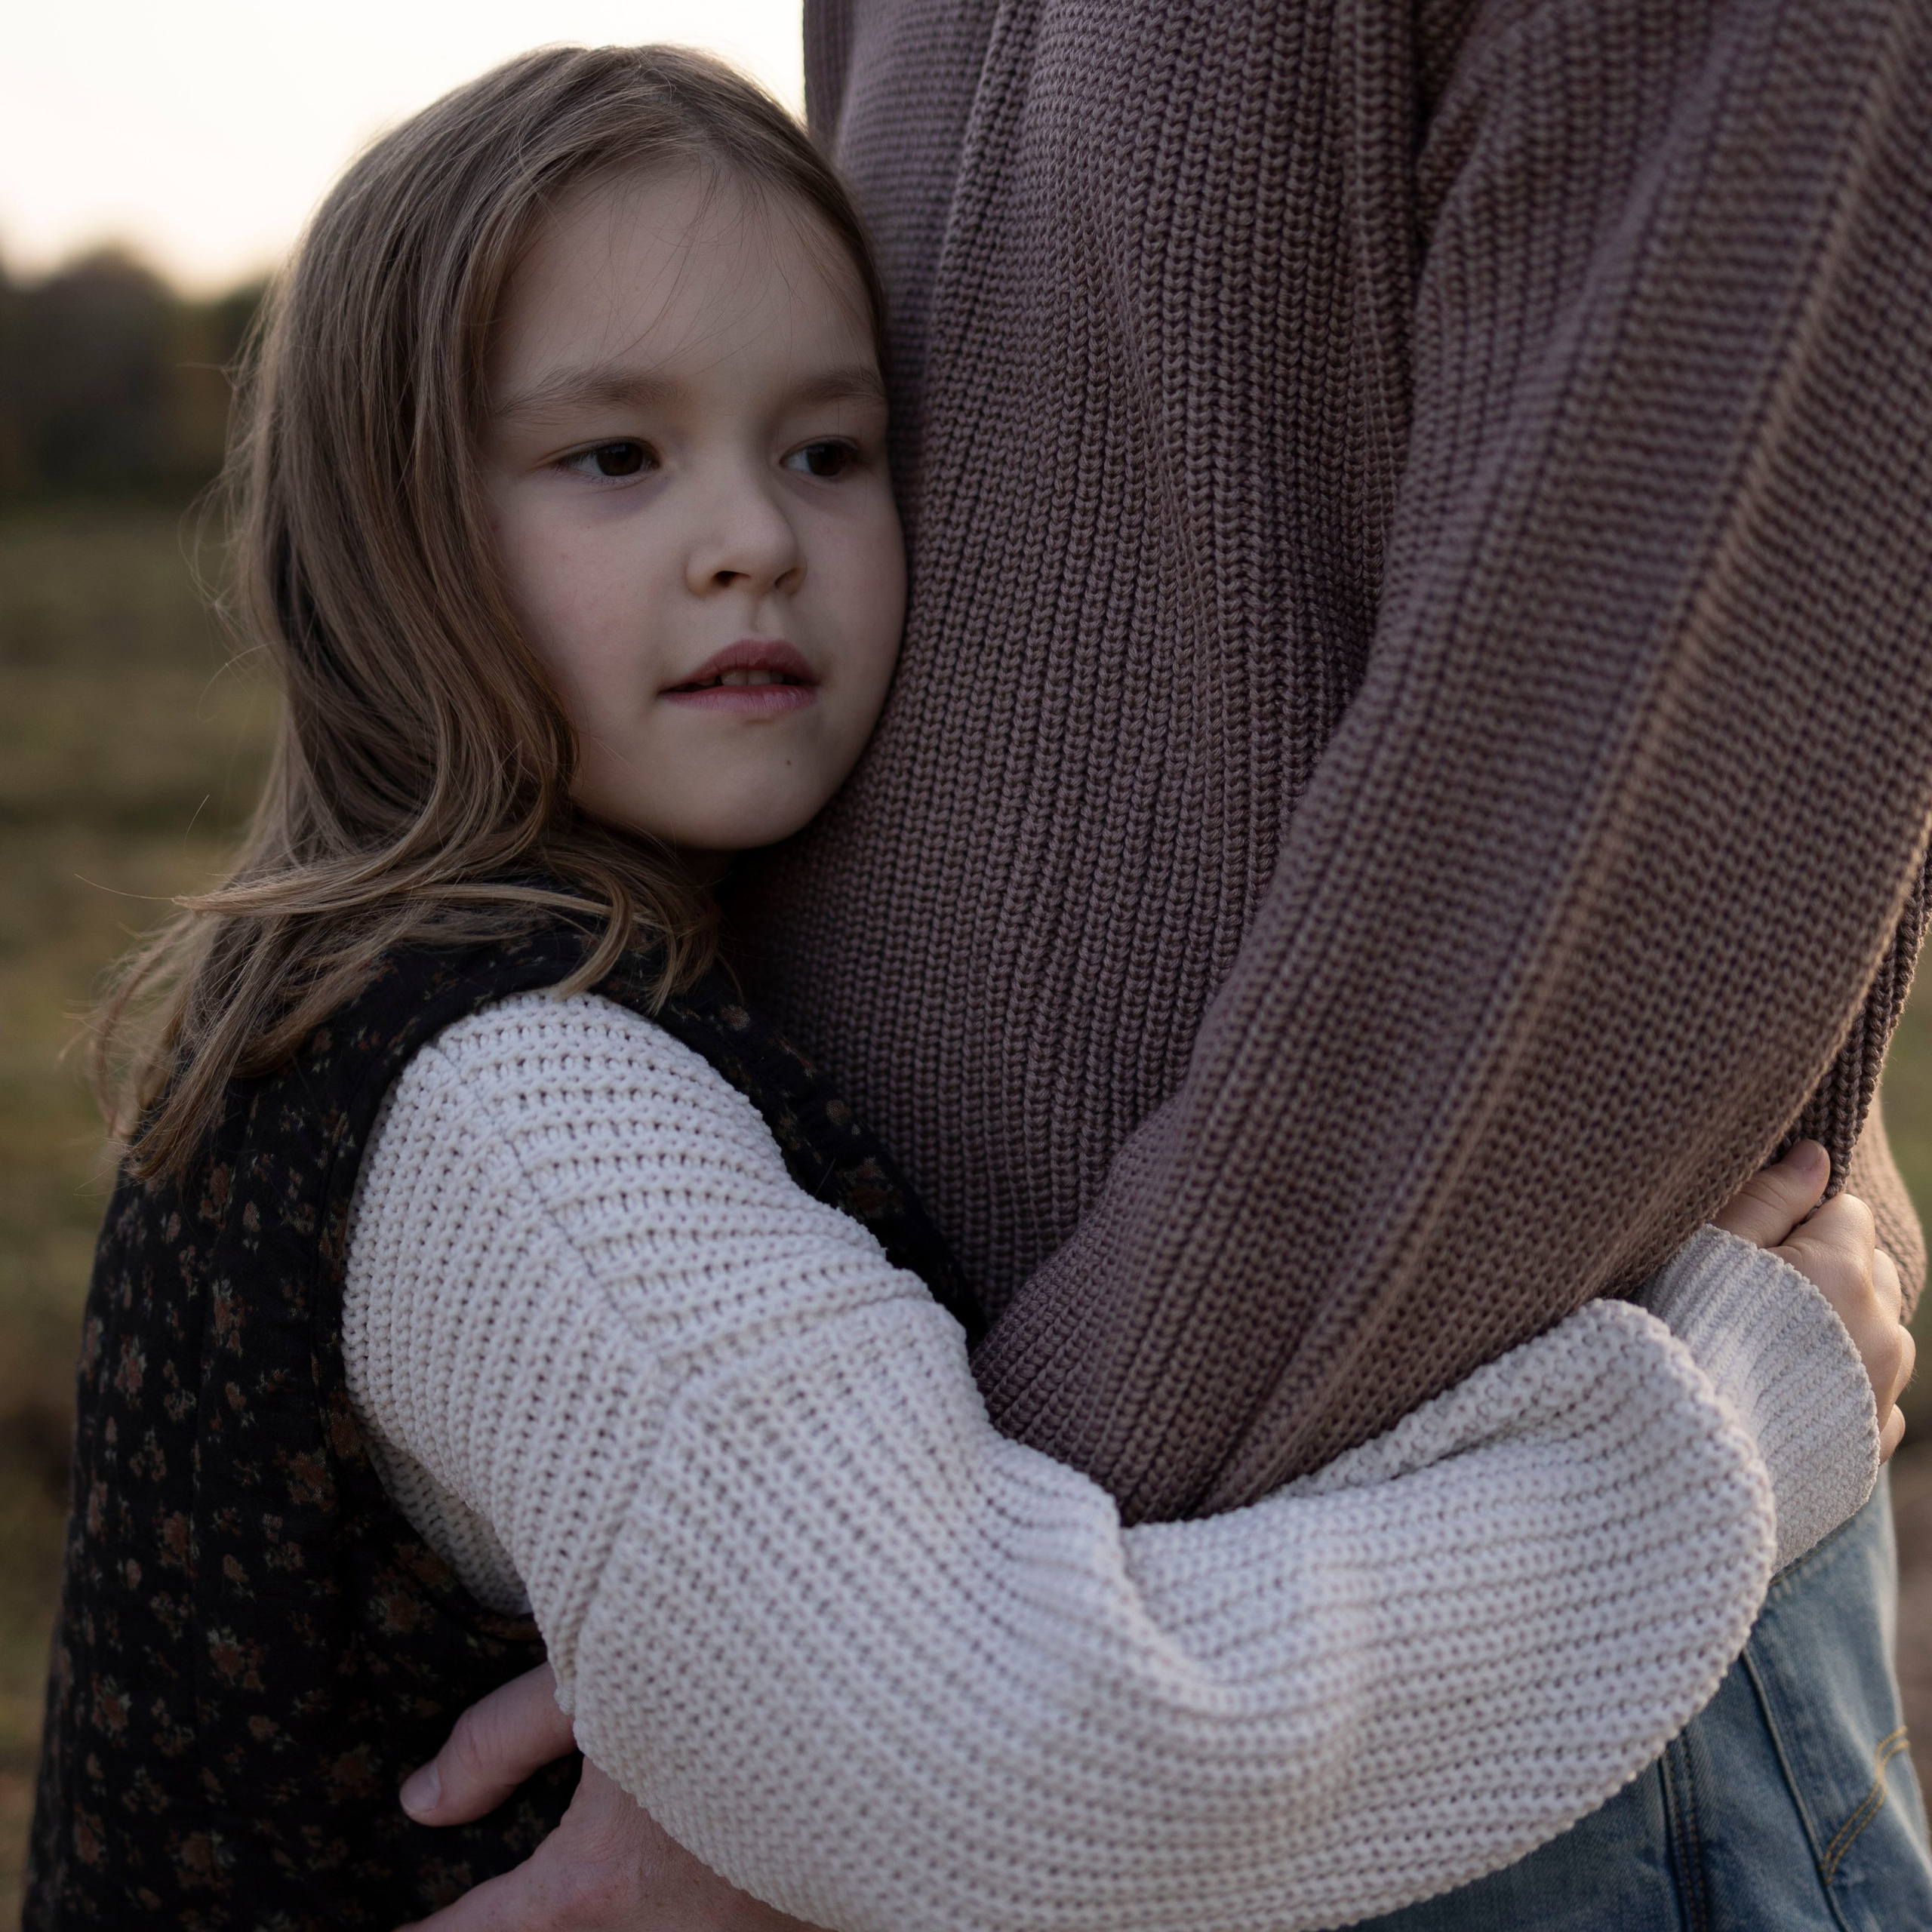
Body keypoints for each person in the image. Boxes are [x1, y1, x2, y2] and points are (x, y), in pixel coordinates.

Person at [20, 43, 1915, 1932]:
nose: (752, 537)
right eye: (614, 455)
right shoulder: (524, 1114)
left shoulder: (366, 1000)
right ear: (380, 532)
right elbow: (1012, 1742)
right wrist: (1748, 1409)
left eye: (826, 451)